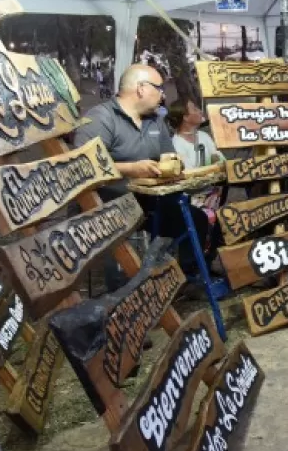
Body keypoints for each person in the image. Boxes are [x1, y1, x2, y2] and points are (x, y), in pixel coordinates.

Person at [74, 64, 221, 288]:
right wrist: (132, 169)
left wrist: (173, 164)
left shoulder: (155, 121)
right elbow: (83, 167)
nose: (163, 94)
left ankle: (186, 279)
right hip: (108, 204)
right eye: (159, 88)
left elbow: (169, 155)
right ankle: (125, 296)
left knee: (198, 220)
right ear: (141, 88)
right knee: (127, 246)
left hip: (150, 201)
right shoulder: (101, 118)